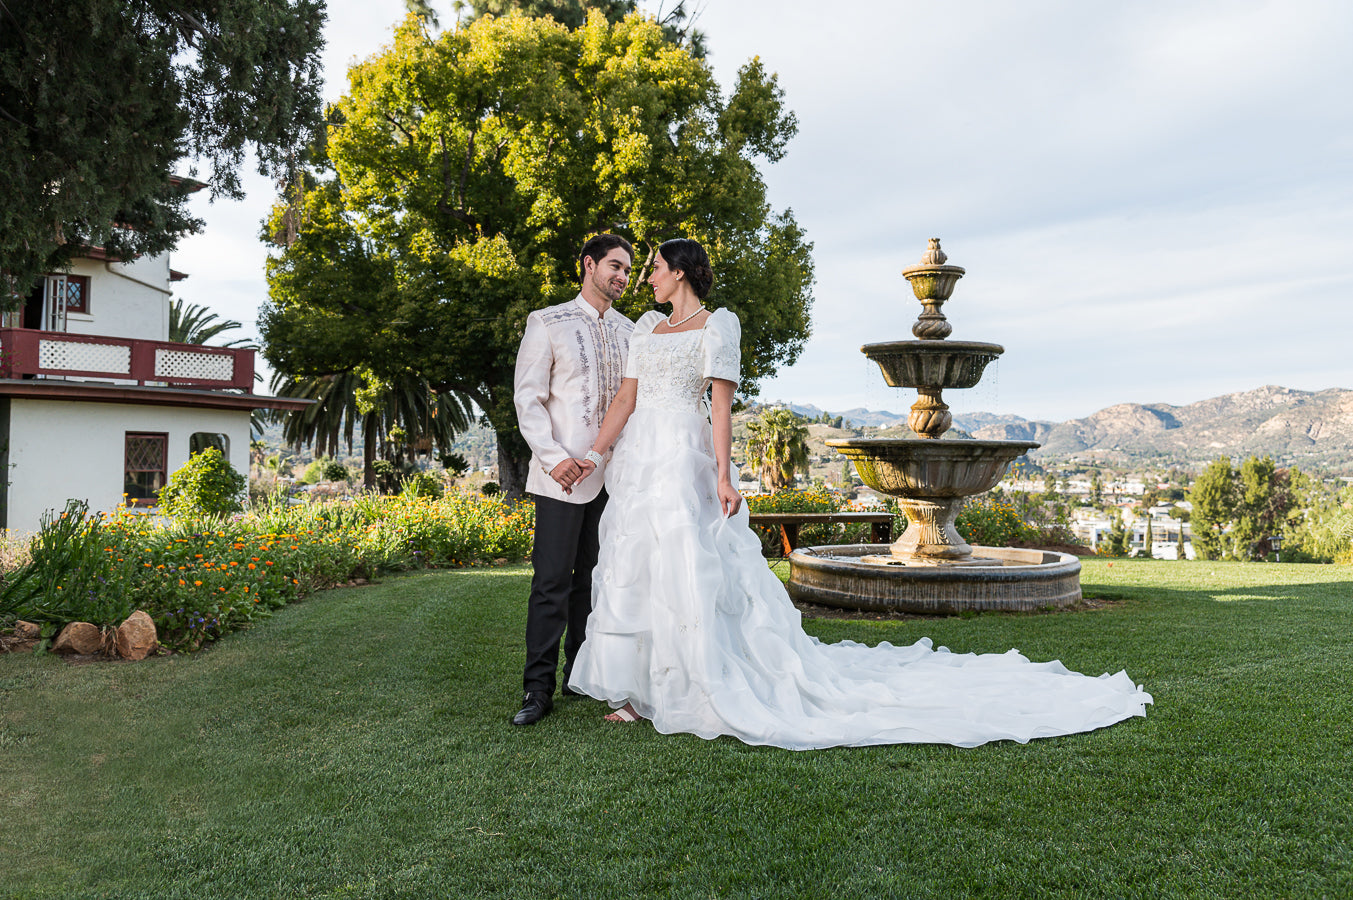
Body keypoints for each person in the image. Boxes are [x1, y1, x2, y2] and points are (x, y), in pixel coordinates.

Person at [566, 238, 1152, 749]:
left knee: (688, 565)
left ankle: (693, 678)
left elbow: (719, 408)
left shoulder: (718, 327)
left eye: (655, 267)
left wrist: (724, 476)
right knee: (636, 563)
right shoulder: (646, 329)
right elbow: (625, 401)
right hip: (642, 456)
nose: (647, 276)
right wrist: (595, 453)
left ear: (683, 272)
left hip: (683, 454)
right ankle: (638, 686)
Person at [510, 233, 636, 726]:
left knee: (596, 581)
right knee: (550, 583)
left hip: (616, 479)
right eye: (614, 266)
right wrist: (552, 457)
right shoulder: (547, 323)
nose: (622, 277)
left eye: (627, 269)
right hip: (560, 477)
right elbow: (528, 399)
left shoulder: (632, 332)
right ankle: (536, 689)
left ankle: (579, 672)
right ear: (588, 265)